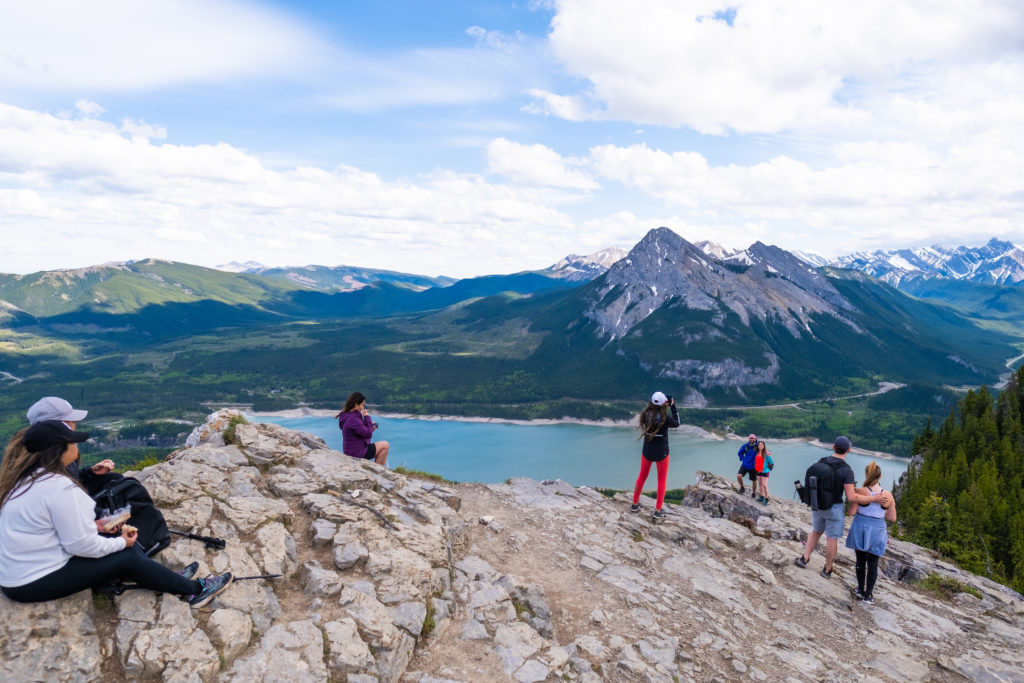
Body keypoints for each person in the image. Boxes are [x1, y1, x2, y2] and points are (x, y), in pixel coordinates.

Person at [0, 420, 232, 606]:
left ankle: (164, 578)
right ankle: (196, 590)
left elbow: (51, 529)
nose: (77, 446)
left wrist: (99, 528)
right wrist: (122, 543)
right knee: (126, 555)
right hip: (30, 582)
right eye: (73, 442)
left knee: (112, 538)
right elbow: (81, 547)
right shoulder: (60, 488)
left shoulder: (27, 479)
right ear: (60, 450)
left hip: (20, 573)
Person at [794, 436, 893, 578]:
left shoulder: (821, 461)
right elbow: (851, 497)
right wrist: (874, 498)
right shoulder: (847, 470)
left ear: (833, 447)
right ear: (848, 450)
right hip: (833, 508)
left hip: (818, 505)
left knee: (816, 531)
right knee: (831, 539)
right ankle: (827, 569)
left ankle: (804, 558)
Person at [27, 396, 119, 496]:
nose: (75, 423)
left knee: (114, 478)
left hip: (71, 494)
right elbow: (63, 492)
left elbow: (73, 478)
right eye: (70, 419)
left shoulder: (53, 448)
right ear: (56, 426)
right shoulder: (48, 455)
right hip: (68, 499)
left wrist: (91, 472)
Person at [845, 461, 897, 604]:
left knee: (860, 561)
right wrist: (882, 513)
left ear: (867, 475)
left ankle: (860, 589)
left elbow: (851, 512)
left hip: (861, 527)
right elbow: (892, 518)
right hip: (878, 530)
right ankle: (869, 595)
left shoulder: (861, 492)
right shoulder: (887, 495)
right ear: (879, 476)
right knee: (873, 563)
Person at [631, 391, 679, 521]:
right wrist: (673, 406)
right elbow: (677, 422)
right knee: (661, 481)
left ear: (651, 402)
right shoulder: (665, 419)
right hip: (662, 453)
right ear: (664, 403)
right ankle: (657, 511)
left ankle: (634, 504)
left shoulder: (646, 414)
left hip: (647, 451)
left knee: (642, 477)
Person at [336, 392, 389, 466]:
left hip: (350, 451)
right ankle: (378, 471)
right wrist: (367, 417)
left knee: (383, 445)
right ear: (356, 404)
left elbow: (358, 431)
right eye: (362, 405)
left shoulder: (346, 415)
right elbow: (368, 434)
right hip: (357, 453)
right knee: (385, 445)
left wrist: (370, 427)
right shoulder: (354, 419)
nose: (363, 408)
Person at [737, 434, 759, 498]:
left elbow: (764, 452)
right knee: (739, 476)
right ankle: (742, 487)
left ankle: (754, 493)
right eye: (750, 438)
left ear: (755, 439)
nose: (752, 439)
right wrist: (742, 459)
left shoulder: (758, 446)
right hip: (745, 464)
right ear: (749, 439)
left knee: (754, 480)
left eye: (753, 438)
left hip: (753, 466)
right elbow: (740, 453)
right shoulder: (745, 446)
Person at [754, 440, 774, 505]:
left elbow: (771, 463)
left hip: (764, 471)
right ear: (758, 446)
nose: (760, 445)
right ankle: (761, 497)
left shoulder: (766, 453)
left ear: (764, 446)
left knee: (764, 485)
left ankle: (766, 499)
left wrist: (763, 468)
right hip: (757, 471)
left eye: (762, 444)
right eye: (759, 444)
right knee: (760, 484)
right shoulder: (757, 452)